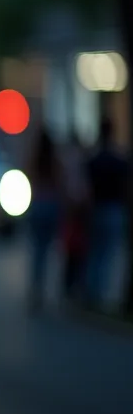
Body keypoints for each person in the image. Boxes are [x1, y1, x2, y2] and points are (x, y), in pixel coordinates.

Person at [82, 118, 129, 311]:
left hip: (97, 209)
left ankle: (93, 292)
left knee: (96, 253)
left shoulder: (94, 160)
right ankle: (99, 295)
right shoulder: (118, 161)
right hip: (112, 210)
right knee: (107, 254)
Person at [24, 129, 63, 313]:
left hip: (38, 204)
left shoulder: (34, 158)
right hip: (51, 205)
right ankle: (44, 290)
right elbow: (60, 181)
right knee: (47, 250)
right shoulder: (54, 160)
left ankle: (36, 290)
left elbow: (28, 175)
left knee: (37, 251)